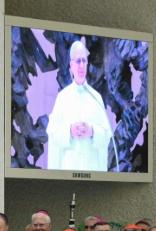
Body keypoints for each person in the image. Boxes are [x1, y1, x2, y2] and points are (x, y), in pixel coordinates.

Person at [46, 40, 113, 171]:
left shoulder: (96, 97)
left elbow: (106, 137)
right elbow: (53, 134)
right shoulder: (63, 97)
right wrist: (69, 131)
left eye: (84, 61)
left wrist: (92, 131)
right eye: (78, 61)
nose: (81, 65)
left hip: (91, 171)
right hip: (69, 170)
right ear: (71, 65)